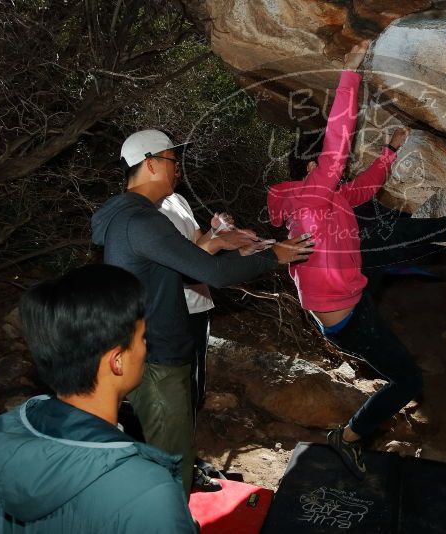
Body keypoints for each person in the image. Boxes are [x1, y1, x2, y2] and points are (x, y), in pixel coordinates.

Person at [267, 41, 446, 479]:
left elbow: (360, 189)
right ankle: (347, 437)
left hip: (351, 303)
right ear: (309, 169)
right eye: (325, 167)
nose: (335, 172)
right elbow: (338, 142)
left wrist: (390, 152)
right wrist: (350, 74)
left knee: (374, 232)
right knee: (408, 382)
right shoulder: (310, 196)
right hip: (348, 320)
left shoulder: (327, 197)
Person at [91, 130, 313, 495]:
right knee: (172, 468)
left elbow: (183, 265)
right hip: (157, 357)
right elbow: (215, 275)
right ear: (150, 164)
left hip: (146, 349)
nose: (178, 170)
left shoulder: (132, 216)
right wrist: (274, 255)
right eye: (172, 161)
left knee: (161, 451)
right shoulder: (141, 221)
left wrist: (227, 246)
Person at [0, 265, 197, 533]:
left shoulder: (5, 436)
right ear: (117, 361)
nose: (146, 348)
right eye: (143, 338)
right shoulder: (148, 491)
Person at [157, 193, 235, 421]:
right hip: (173, 308)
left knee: (195, 388)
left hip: (199, 305)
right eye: (170, 159)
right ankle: (167, 452)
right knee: (174, 392)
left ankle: (183, 448)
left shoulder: (177, 199)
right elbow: (179, 262)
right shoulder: (144, 208)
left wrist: (216, 231)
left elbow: (196, 248)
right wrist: (220, 240)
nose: (177, 167)